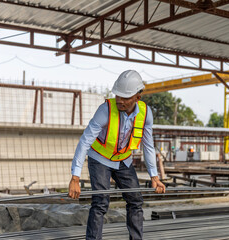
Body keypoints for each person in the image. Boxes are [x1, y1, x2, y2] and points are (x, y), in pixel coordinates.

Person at [68, 70, 166, 240]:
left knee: (135, 200)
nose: (119, 100)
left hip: (123, 160)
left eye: (125, 97)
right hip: (99, 158)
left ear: (138, 96)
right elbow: (85, 141)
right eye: (118, 95)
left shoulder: (145, 113)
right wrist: (75, 177)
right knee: (100, 203)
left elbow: (148, 146)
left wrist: (154, 177)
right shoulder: (105, 110)